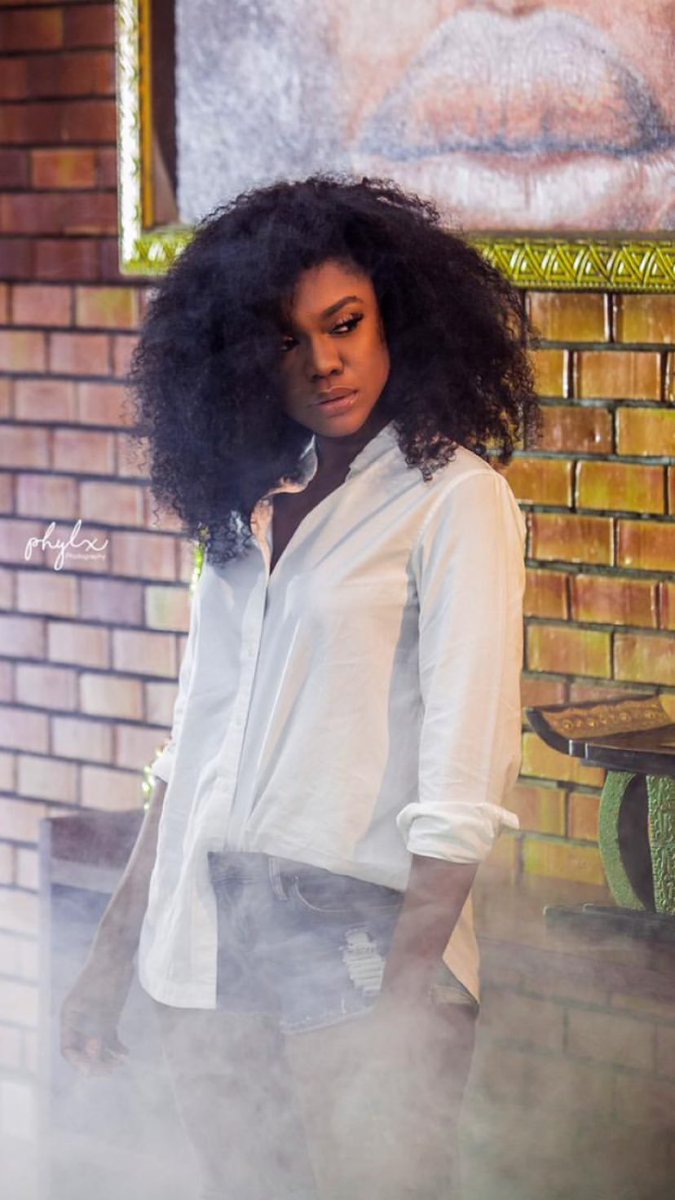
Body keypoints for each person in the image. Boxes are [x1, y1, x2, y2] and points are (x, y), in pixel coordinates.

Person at [60, 175, 538, 1200]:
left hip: (362, 943)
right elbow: (194, 749)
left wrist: (403, 1010)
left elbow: (464, 778)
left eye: (345, 323)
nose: (323, 361)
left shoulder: (456, 501)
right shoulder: (244, 511)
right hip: (205, 939)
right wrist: (112, 954)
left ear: (396, 316)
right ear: (241, 359)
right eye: (286, 339)